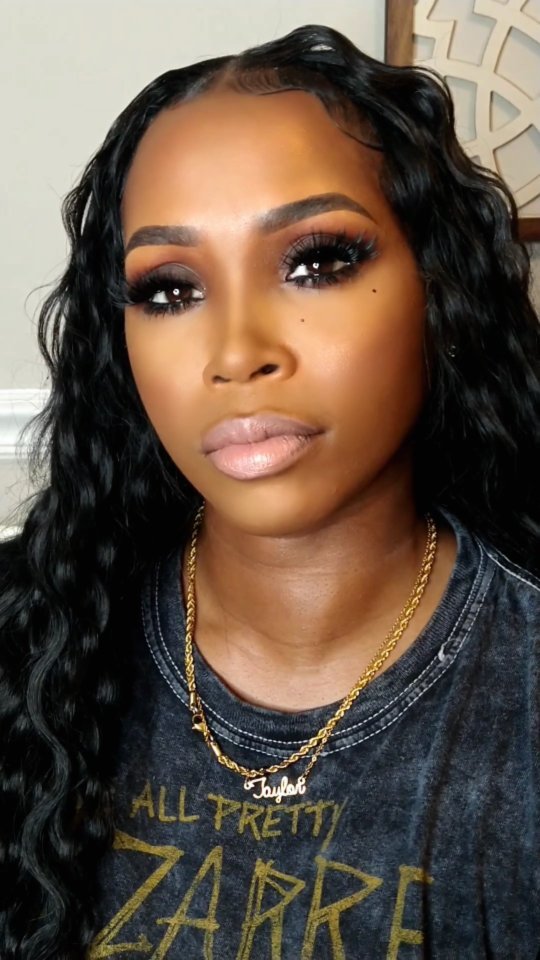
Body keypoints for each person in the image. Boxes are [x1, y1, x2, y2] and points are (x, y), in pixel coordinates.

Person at [0, 21, 539, 960]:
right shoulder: (27, 639)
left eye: (316, 261)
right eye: (170, 290)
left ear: (439, 285)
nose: (238, 353)